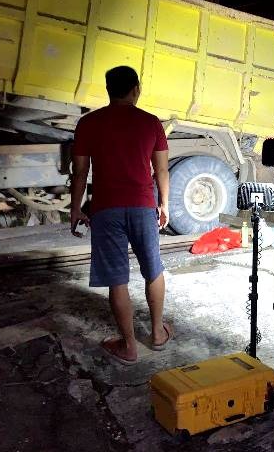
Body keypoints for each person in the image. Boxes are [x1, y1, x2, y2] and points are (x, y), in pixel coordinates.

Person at [70, 65, 172, 365]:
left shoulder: (88, 123)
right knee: (153, 269)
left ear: (108, 89)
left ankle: (128, 346)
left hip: (106, 208)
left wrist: (75, 207)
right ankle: (156, 333)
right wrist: (164, 204)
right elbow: (161, 169)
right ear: (136, 89)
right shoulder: (151, 123)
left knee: (117, 279)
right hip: (142, 206)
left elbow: (80, 172)